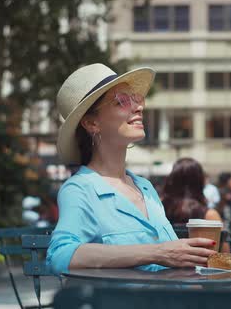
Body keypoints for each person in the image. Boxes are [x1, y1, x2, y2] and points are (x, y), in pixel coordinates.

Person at [46, 64, 216, 275]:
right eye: (121, 101)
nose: (138, 107)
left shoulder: (145, 187)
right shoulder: (79, 189)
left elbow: (169, 257)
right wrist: (157, 253)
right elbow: (60, 256)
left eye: (135, 98)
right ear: (91, 123)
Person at [162, 158, 231, 265]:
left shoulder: (159, 210)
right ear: (200, 182)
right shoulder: (209, 215)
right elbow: (224, 253)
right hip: (204, 268)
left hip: (168, 266)